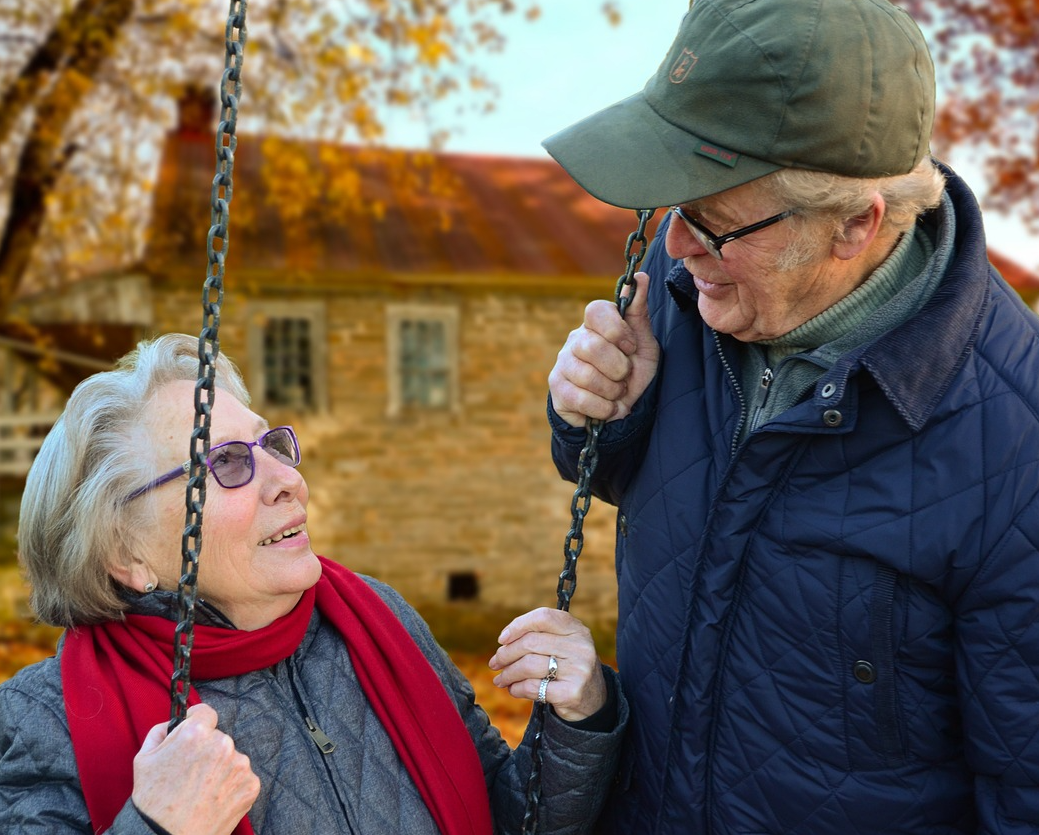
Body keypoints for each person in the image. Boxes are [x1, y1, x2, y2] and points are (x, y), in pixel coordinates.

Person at [543, 0, 1039, 832]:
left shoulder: (1015, 445)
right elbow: (652, 493)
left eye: (712, 220)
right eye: (675, 204)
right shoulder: (689, 297)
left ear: (854, 224)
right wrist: (595, 417)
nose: (675, 245)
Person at [0, 333, 627, 835]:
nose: (286, 480)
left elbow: (507, 816)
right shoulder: (42, 719)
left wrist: (576, 719)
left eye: (270, 444)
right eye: (226, 463)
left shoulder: (377, 620)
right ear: (125, 552)